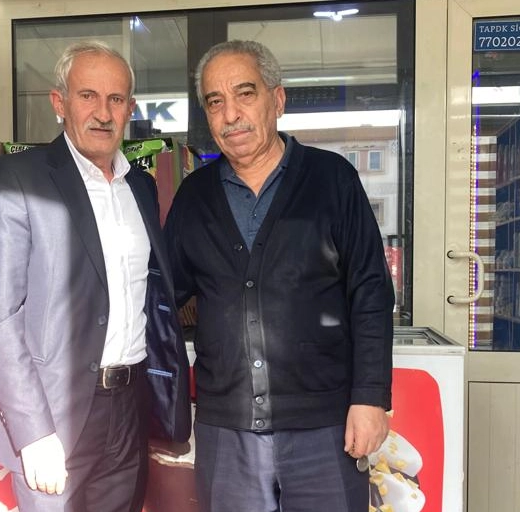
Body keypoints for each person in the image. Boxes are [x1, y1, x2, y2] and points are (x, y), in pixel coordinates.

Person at [164, 40, 394, 512]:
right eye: (215, 101)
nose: (231, 115)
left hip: (325, 426)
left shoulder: (333, 180)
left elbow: (370, 291)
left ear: (278, 99)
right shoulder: (195, 196)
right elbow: (162, 293)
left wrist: (370, 398)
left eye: (245, 94)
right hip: (226, 429)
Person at [0, 40, 190, 512]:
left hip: (130, 407)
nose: (103, 113)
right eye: (88, 95)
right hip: (54, 415)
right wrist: (33, 434)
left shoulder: (141, 186)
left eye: (116, 99)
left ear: (130, 108)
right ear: (60, 102)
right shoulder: (17, 178)